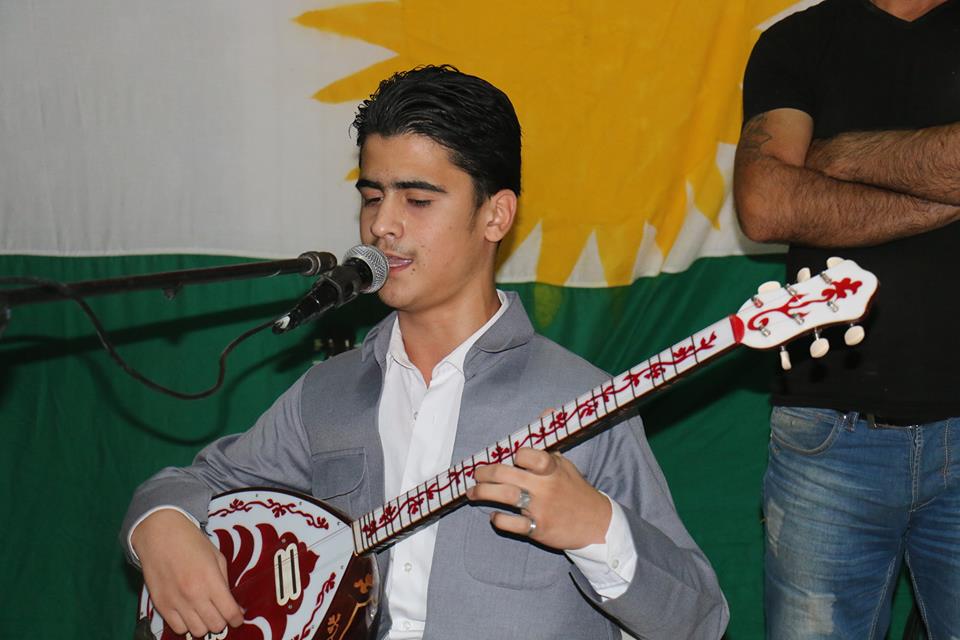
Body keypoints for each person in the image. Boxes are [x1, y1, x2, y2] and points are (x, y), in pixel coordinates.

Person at [121, 65, 728, 640]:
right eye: (372, 197)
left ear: (496, 215)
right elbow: (192, 484)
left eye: (417, 200)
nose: (382, 225)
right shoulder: (326, 394)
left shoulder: (586, 402)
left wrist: (596, 528)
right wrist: (161, 524)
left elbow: (700, 621)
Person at [733, 1, 960, 637]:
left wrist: (840, 155)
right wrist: (940, 199)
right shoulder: (796, 40)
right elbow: (765, 204)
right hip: (829, 438)